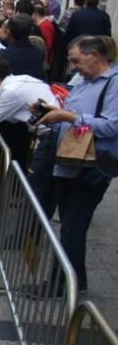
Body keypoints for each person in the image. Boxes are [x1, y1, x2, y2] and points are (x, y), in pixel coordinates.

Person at [34, 36, 118, 295]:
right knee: (70, 226)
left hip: (91, 167)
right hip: (67, 162)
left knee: (72, 226)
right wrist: (50, 111)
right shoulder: (83, 81)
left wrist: (69, 116)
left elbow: (111, 125)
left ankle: (63, 284)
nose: (73, 67)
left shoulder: (114, 83)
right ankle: (74, 281)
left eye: (76, 60)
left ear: (96, 55)